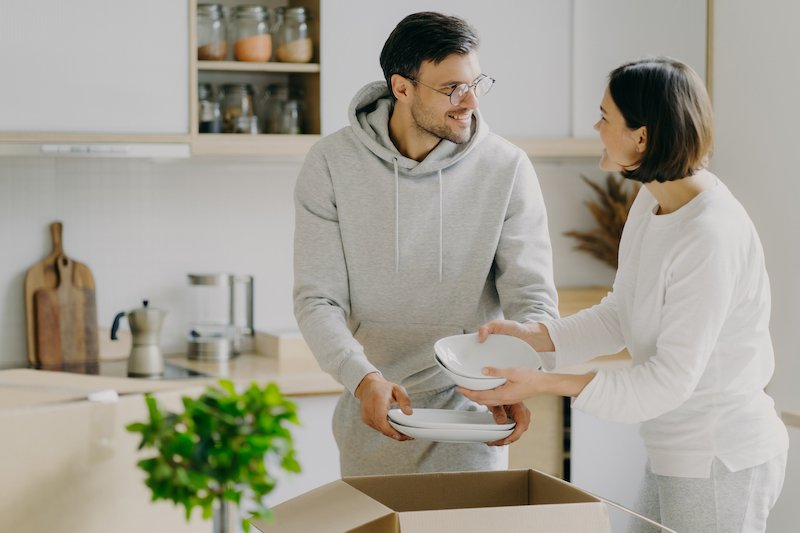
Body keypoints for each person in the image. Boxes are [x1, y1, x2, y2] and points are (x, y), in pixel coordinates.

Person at [459, 57, 789, 532]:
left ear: (642, 136)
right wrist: (536, 336)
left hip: (719, 457)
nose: (596, 126)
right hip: (675, 448)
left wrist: (546, 384)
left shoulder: (710, 235)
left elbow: (667, 381)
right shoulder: (652, 202)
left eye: (605, 117)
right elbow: (621, 313)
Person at [293, 11, 558, 476]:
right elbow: (317, 299)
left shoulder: (507, 168)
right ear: (401, 87)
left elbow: (532, 299)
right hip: (372, 410)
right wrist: (363, 379)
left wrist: (518, 378)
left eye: (477, 83)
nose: (470, 101)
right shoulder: (331, 163)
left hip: (474, 412)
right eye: (452, 88)